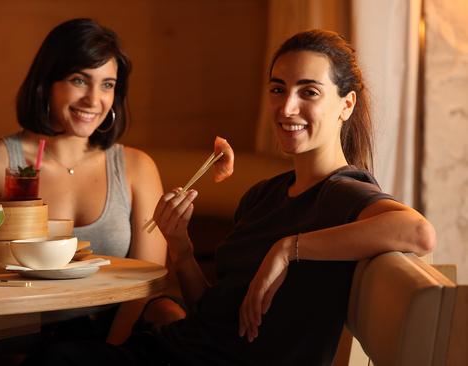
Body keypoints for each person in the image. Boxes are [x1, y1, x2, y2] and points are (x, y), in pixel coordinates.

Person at [40, 29, 436, 365]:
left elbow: (418, 233)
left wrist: (288, 248)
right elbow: (212, 315)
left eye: (309, 92)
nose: (287, 107)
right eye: (278, 89)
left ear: (345, 105)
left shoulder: (342, 192)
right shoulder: (264, 195)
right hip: (180, 350)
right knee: (55, 352)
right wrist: (181, 249)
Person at [0, 18, 173, 345]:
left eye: (107, 85)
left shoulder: (136, 168)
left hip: (115, 339)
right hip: (20, 340)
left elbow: (144, 284)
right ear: (47, 82)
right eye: (79, 80)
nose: (93, 100)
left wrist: (110, 353)